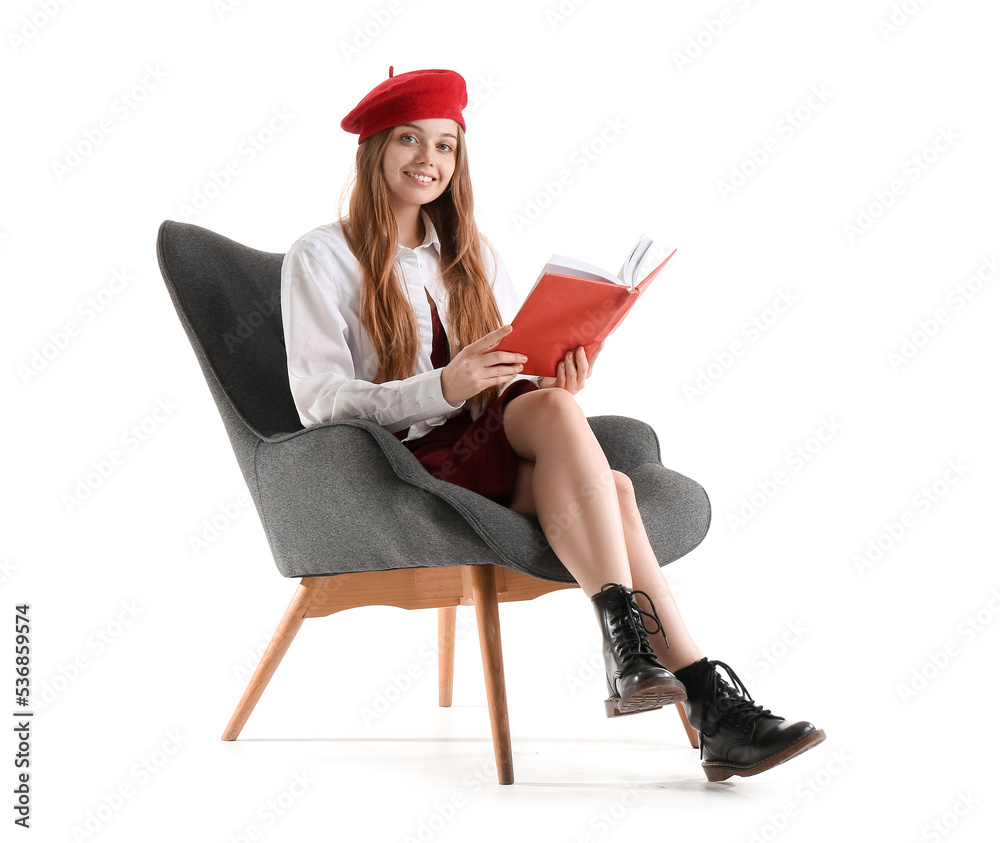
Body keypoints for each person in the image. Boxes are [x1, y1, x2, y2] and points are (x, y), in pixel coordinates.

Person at [280, 66, 825, 782]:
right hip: (405, 461)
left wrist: (555, 375)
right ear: (375, 149)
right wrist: (441, 384)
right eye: (409, 140)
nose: (428, 159)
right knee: (617, 491)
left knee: (584, 442)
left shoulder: (472, 254)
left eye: (445, 145)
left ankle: (639, 660)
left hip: (494, 437)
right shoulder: (319, 257)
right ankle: (699, 695)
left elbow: (513, 376)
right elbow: (319, 401)